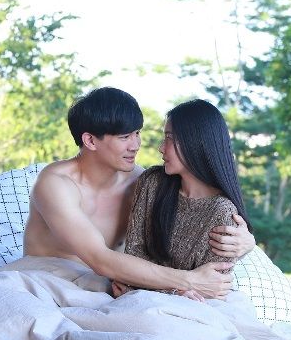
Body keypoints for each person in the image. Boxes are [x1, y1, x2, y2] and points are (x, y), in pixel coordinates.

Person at [21, 87, 255, 299]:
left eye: (137, 133)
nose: (136, 145)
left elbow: (187, 230)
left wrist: (246, 243)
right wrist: (189, 281)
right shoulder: (55, 184)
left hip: (118, 284)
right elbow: (100, 259)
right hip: (51, 280)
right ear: (90, 140)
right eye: (124, 137)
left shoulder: (142, 182)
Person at [113, 99, 252, 303]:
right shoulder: (152, 182)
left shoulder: (223, 212)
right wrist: (174, 292)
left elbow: (207, 291)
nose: (161, 148)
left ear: (195, 142)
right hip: (144, 301)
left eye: (169, 138)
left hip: (191, 311)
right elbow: (133, 255)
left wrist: (145, 291)